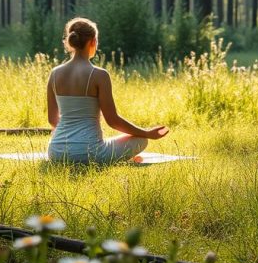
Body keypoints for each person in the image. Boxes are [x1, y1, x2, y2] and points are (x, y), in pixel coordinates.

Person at [46, 17, 168, 164]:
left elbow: (53, 120)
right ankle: (125, 158)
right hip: (90, 153)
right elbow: (113, 120)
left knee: (111, 142)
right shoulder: (99, 75)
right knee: (141, 140)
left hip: (57, 152)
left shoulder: (55, 73)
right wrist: (147, 133)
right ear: (93, 42)